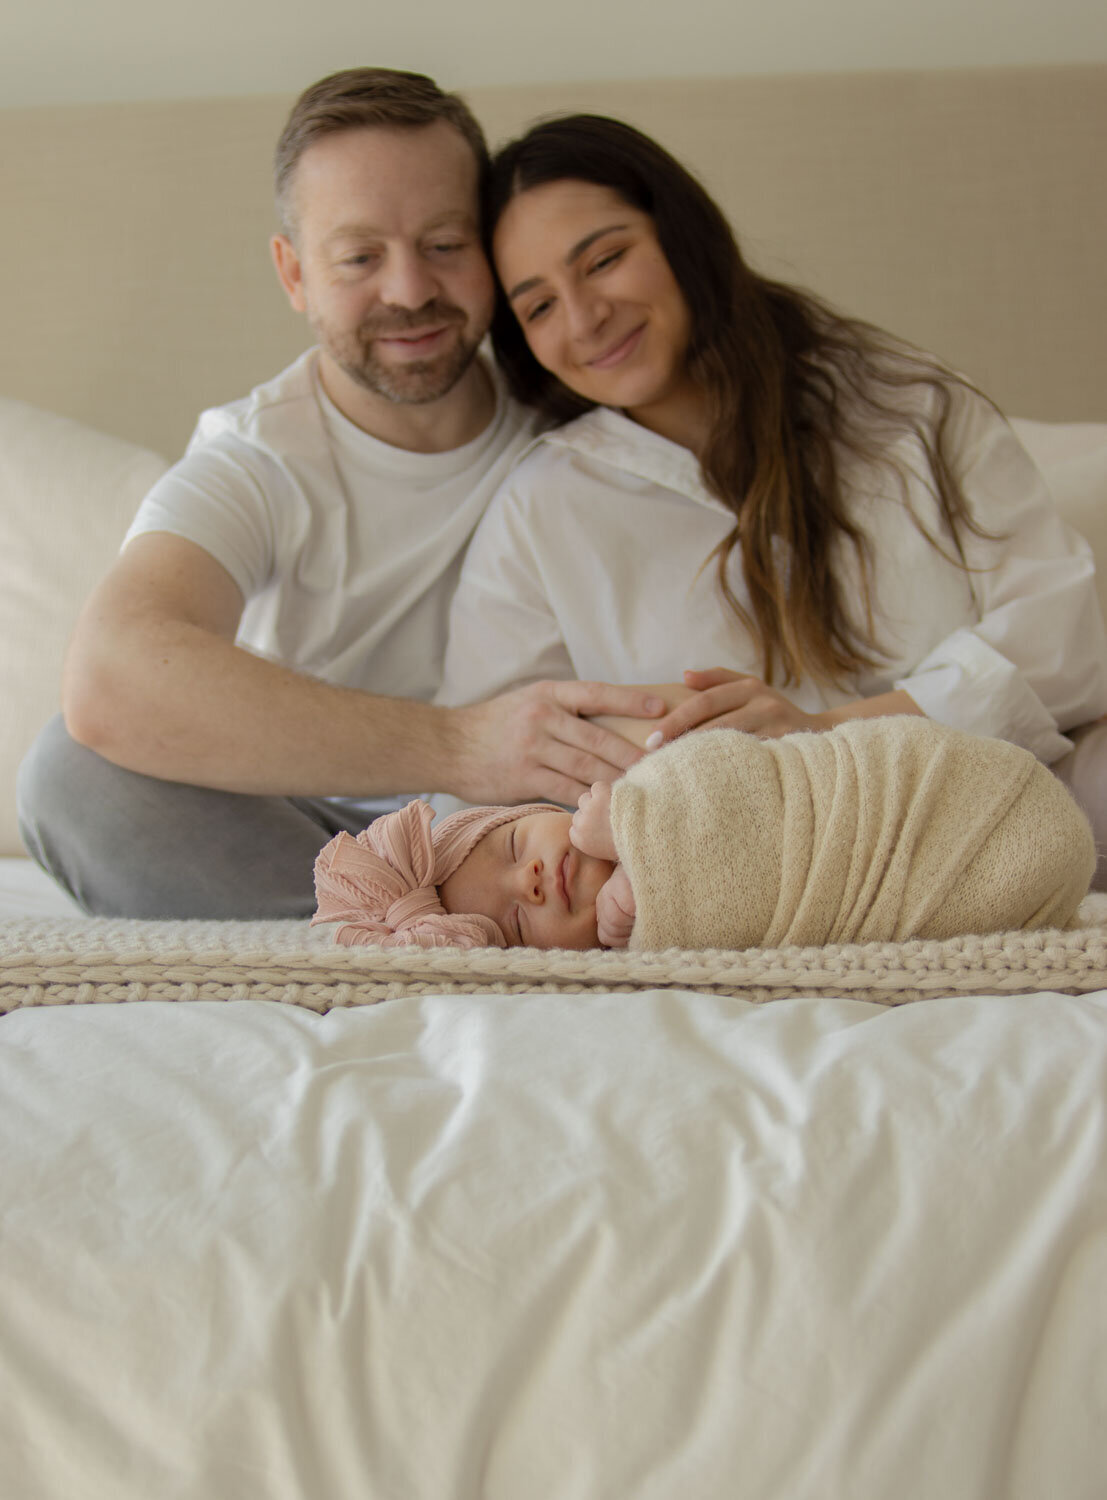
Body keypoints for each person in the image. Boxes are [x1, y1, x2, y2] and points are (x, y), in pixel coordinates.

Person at [15, 74, 664, 920]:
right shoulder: (255, 457)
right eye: (359, 257)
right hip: (315, 843)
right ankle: (382, 950)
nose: (407, 291)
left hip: (541, 836)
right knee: (70, 773)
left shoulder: (574, 396)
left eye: (444, 244)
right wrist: (463, 746)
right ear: (294, 273)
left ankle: (434, 948)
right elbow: (112, 674)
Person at [436, 113, 1107, 885]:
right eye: (539, 306)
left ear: (680, 237)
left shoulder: (902, 406)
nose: (585, 318)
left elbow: (1062, 644)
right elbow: (490, 787)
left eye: (606, 259)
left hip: (1015, 827)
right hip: (735, 881)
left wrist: (822, 736)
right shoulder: (539, 510)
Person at [311, 717, 1096, 951]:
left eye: (515, 850)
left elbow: (745, 780)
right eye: (517, 919)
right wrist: (657, 904)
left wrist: (634, 825)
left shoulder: (646, 790)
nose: (535, 882)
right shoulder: (639, 949)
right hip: (923, 883)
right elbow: (751, 924)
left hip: (934, 798)